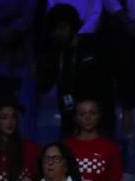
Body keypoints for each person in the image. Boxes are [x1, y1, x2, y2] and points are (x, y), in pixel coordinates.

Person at [38, 3, 106, 137]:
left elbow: (102, 86)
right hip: (67, 118)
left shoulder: (90, 47)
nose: (58, 32)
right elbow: (44, 85)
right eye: (55, 29)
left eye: (63, 27)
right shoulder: (54, 52)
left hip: (93, 119)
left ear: (73, 26)